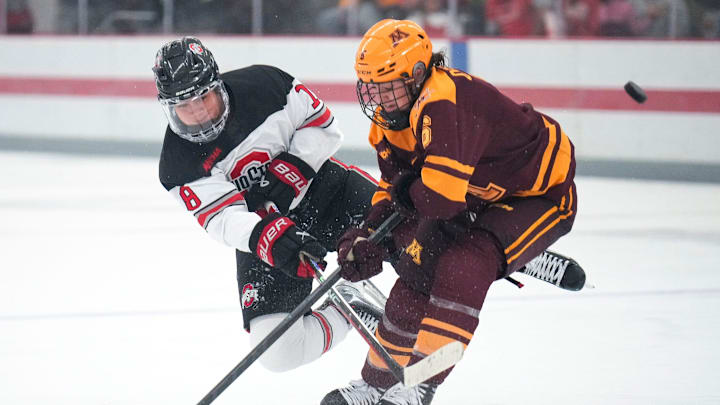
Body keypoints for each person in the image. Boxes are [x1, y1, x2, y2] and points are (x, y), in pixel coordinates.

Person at [322, 19, 578, 404]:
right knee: (415, 267)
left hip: (537, 198)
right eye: (371, 86)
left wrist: (404, 195)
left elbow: (438, 200)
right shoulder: (392, 123)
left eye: (386, 86)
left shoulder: (446, 104)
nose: (377, 98)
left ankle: (421, 384)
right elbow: (393, 189)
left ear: (417, 74)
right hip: (473, 197)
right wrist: (367, 234)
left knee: (465, 266)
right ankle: (374, 385)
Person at [153, 36, 386, 374]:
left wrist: (294, 167)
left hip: (326, 192)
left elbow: (325, 127)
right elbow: (223, 220)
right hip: (265, 237)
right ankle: (349, 305)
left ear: (216, 84)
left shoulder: (265, 85)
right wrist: (267, 236)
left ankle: (434, 323)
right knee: (278, 354)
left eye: (204, 96)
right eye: (185, 106)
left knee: (413, 229)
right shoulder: (177, 164)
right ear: (169, 107)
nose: (199, 111)